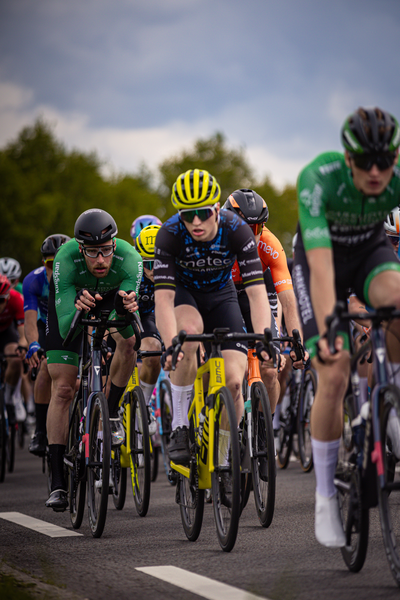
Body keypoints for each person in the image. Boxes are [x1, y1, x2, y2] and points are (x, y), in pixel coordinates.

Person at [293, 106, 400, 548]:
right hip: (323, 262)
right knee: (334, 369)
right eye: (366, 162)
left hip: (371, 251)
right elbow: (320, 269)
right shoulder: (319, 180)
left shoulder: (393, 179)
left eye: (386, 161)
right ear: (348, 158)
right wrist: (325, 331)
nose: (376, 172)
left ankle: (391, 402)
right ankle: (323, 497)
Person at [153, 169, 273, 466]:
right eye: (187, 215)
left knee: (234, 383)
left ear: (217, 209)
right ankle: (180, 427)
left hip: (222, 296)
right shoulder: (169, 234)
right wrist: (171, 344)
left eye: (203, 213)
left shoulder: (236, 230)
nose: (195, 222)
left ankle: (222, 459)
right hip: (186, 295)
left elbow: (258, 294)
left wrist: (266, 337)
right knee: (188, 336)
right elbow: (164, 300)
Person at [44, 208, 142, 511]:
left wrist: (123, 309)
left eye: (105, 251)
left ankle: (109, 412)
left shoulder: (130, 259)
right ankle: (58, 480)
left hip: (112, 301)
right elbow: (64, 326)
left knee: (129, 342)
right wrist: (76, 307)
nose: (100, 260)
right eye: (92, 252)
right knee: (62, 386)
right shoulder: (65, 259)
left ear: (114, 244)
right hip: (72, 302)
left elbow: (124, 313)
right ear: (80, 248)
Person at [223, 189, 307, 417]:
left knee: (270, 370)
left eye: (257, 228)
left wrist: (298, 342)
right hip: (224, 295)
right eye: (243, 228)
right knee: (223, 368)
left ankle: (264, 430)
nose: (251, 236)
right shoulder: (216, 240)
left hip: (257, 292)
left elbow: (288, 302)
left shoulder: (270, 245)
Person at [23, 234, 71, 456]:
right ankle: (41, 431)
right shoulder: (33, 281)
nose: (57, 269)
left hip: (73, 323)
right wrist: (33, 344)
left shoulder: (79, 276)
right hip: (46, 325)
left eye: (62, 261)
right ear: (44, 263)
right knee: (44, 366)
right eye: (52, 264)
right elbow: (31, 320)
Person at [134, 224, 163, 434]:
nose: (153, 270)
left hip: (148, 315)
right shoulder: (131, 269)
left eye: (158, 263)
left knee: (154, 353)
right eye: (147, 264)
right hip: (123, 314)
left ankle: (142, 405)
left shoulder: (173, 271)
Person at [0, 274, 27, 425]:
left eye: (1, 301)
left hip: (7, 332)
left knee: (16, 357)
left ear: (8, 298)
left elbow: (23, 335)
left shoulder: (16, 299)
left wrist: (22, 347)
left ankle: (10, 397)